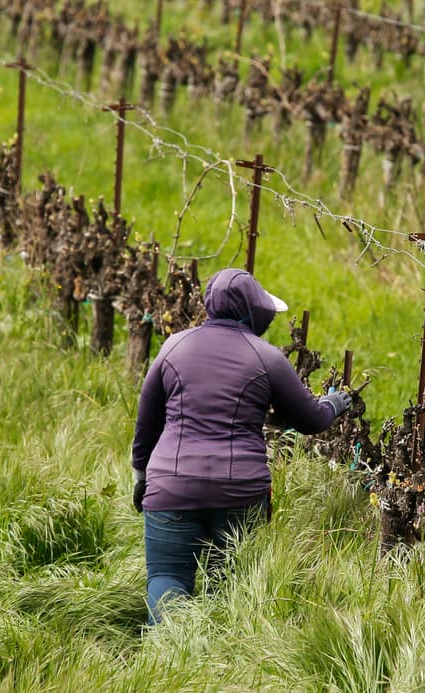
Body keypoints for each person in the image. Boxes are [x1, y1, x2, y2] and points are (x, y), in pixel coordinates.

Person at [131, 268, 353, 625]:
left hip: (170, 485)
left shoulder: (173, 346)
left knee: (167, 576)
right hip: (239, 491)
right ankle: (224, 664)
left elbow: (147, 421)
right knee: (229, 583)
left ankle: (167, 658)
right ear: (256, 311)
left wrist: (141, 475)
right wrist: (336, 403)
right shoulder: (267, 358)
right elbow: (311, 420)